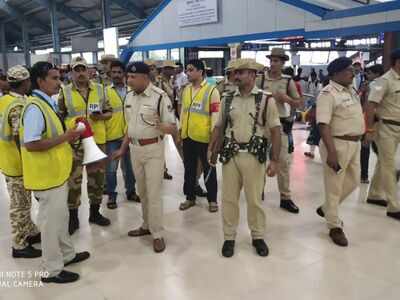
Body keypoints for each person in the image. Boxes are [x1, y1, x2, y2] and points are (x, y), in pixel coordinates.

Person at [20, 62, 90, 283]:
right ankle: (51, 270)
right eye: (54, 78)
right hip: (46, 177)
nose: (59, 83)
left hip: (56, 174)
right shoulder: (34, 108)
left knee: (61, 219)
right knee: (51, 226)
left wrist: (69, 131)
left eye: (59, 78)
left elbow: (52, 133)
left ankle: (67, 255)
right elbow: (31, 144)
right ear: (40, 81)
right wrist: (66, 137)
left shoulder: (46, 103)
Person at [209, 58, 281, 257]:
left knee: (254, 200)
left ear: (252, 75)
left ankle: (257, 236)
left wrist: (274, 160)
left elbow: (275, 130)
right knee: (229, 199)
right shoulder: (227, 98)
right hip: (230, 155)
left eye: (241, 73)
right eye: (235, 73)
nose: (236, 76)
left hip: (253, 156)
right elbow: (219, 126)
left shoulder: (266, 100)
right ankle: (229, 237)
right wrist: (212, 150)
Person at [112, 62, 177, 253]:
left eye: (133, 77)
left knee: (154, 193)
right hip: (134, 150)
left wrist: (165, 127)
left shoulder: (160, 97)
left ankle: (157, 234)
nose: (128, 80)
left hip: (153, 150)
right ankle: (146, 225)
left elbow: (173, 127)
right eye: (128, 77)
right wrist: (123, 149)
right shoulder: (129, 97)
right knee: (143, 191)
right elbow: (129, 128)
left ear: (144, 77)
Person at [58, 56, 112, 235]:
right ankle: (73, 219)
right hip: (74, 144)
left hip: (97, 141)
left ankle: (95, 214)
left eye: (83, 69)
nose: (81, 73)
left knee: (97, 180)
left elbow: (109, 112)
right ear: (71, 73)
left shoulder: (100, 89)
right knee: (73, 182)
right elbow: (60, 115)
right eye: (77, 70)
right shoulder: (64, 92)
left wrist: (101, 117)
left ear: (89, 71)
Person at [316, 57, 365, 247]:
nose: (352, 73)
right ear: (335, 74)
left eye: (353, 70)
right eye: (348, 70)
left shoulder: (351, 90)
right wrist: (332, 153)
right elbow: (323, 125)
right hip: (337, 144)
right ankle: (334, 226)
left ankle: (327, 208)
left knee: (353, 182)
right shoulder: (328, 94)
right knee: (334, 186)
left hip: (354, 143)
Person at [0, 65, 41, 258]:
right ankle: (19, 244)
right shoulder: (16, 105)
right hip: (17, 163)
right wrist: (29, 162)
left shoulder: (5, 100)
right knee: (20, 204)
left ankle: (30, 231)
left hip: (8, 160)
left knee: (24, 201)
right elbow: (20, 138)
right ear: (26, 82)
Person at [263, 48, 302, 214]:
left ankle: (285, 197)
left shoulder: (287, 81)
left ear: (283, 63)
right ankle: (258, 191)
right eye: (271, 60)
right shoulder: (260, 79)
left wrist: (286, 98)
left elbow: (299, 103)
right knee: (258, 160)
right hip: (262, 124)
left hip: (280, 124)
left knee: (283, 161)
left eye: (277, 61)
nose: (273, 63)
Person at [179, 59, 221, 213]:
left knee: (209, 169)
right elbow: (184, 111)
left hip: (205, 138)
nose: (188, 73)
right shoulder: (186, 90)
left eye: (191, 70)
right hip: (188, 136)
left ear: (200, 71)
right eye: (187, 70)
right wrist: (181, 129)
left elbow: (216, 116)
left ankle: (212, 200)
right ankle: (189, 197)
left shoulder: (212, 91)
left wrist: (213, 139)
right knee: (189, 168)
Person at [364, 49, 400, 220]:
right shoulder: (384, 81)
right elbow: (370, 106)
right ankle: (394, 206)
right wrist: (369, 129)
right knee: (389, 165)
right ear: (397, 61)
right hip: (386, 128)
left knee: (383, 162)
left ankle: (374, 194)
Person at [104, 60, 139, 209]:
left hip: (129, 135)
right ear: (110, 74)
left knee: (130, 167)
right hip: (111, 136)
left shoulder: (132, 91)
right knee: (111, 169)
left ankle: (131, 191)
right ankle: (111, 194)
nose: (117, 75)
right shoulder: (105, 91)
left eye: (119, 72)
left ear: (124, 73)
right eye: (114, 72)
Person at [359, 64, 384, 184]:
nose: (367, 76)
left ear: (377, 74)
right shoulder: (382, 84)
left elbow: (366, 105)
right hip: (379, 121)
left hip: (370, 120)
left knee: (366, 147)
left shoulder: (374, 85)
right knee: (376, 148)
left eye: (369, 73)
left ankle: (364, 175)